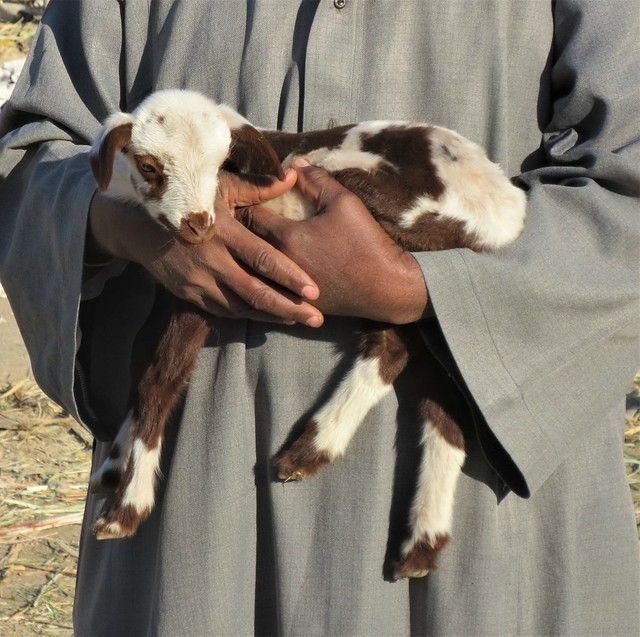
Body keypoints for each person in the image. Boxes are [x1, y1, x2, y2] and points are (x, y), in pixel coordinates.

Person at [0, 1, 638, 635]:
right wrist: (131, 224)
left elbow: (626, 182)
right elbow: (30, 161)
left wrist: (416, 286)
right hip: (203, 514)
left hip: (489, 525)